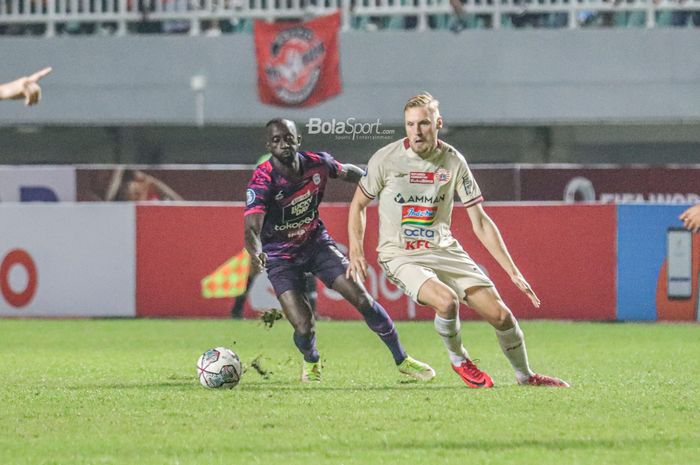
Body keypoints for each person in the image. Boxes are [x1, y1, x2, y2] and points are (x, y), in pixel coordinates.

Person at [346, 93, 569, 389]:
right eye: (410, 124)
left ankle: (526, 377)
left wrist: (512, 270)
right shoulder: (386, 160)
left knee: (501, 316)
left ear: (438, 124)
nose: (416, 131)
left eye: (423, 123)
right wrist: (356, 251)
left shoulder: (453, 161)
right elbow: (358, 204)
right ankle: (459, 358)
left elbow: (480, 221)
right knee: (446, 301)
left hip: (443, 249)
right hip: (399, 254)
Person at [244, 118, 435, 383]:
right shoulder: (263, 178)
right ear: (269, 145)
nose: (282, 144)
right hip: (281, 257)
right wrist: (256, 252)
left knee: (363, 299)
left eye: (288, 138)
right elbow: (252, 226)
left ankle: (403, 359)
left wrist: (378, 184)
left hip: (316, 244)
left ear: (298, 140)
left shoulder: (317, 163)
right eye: (276, 140)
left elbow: (347, 172)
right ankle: (311, 359)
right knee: (303, 325)